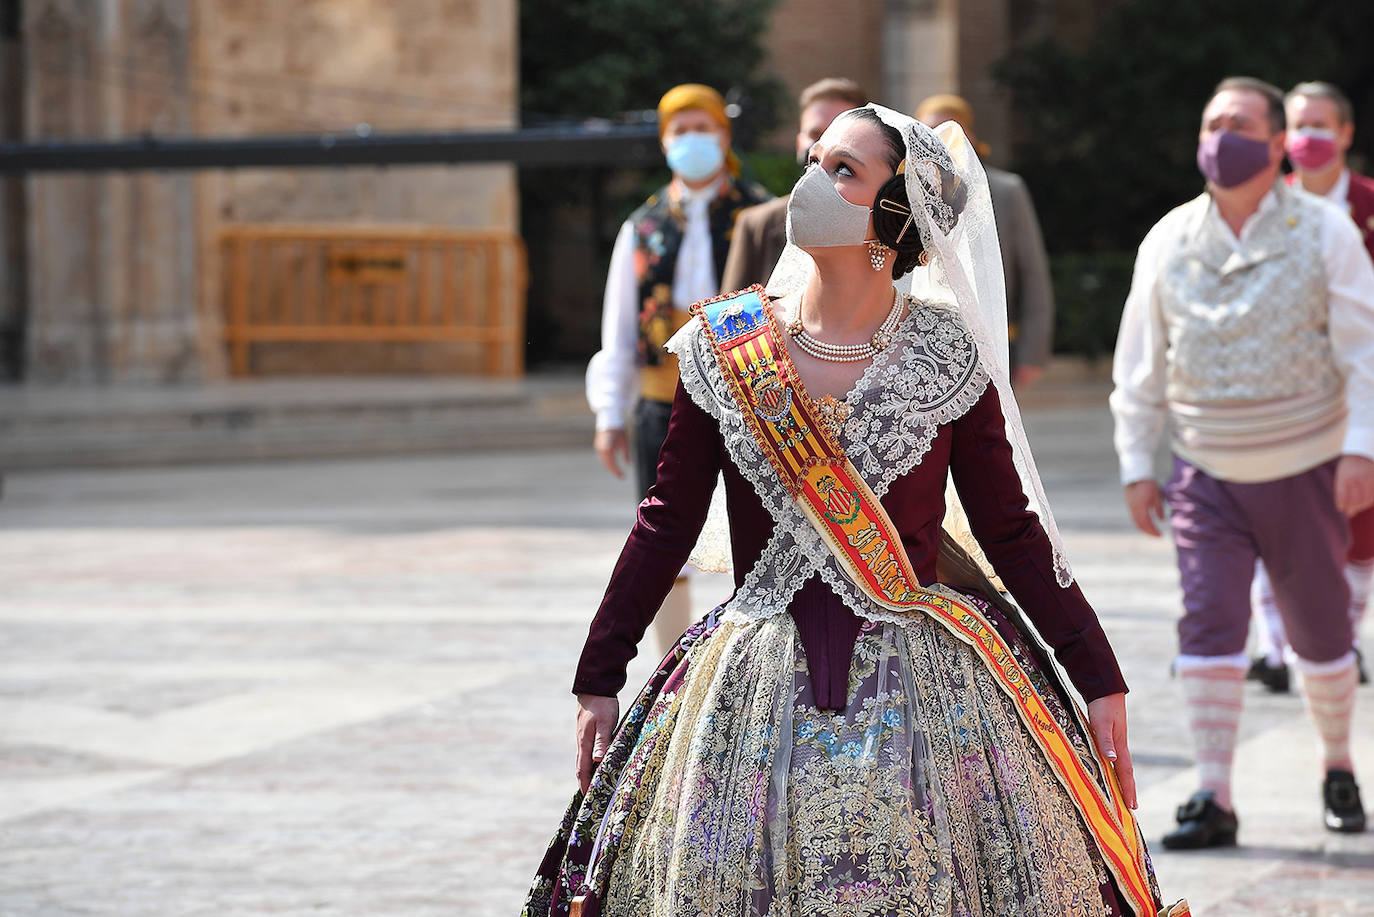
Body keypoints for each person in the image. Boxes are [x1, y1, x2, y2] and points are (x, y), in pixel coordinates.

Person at [527, 104, 1185, 917]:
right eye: (813, 159)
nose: (812, 180)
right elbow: (666, 517)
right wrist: (599, 673)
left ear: (895, 216)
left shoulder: (949, 353)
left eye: (844, 170)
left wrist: (1100, 678)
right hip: (751, 673)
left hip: (923, 680)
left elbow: (1010, 530)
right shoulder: (724, 344)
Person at [1111, 77, 1374, 849]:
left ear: (1273, 141)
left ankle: (1336, 765)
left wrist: (1361, 447)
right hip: (1207, 471)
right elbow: (1140, 361)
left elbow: (1364, 351)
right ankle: (1213, 793)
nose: (1220, 135)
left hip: (1305, 467)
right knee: (1209, 620)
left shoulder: (1325, 230)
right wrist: (1136, 461)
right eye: (1211, 121)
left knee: (1322, 634)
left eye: (1237, 122)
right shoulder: (1168, 238)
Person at [585, 84, 772, 658]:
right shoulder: (641, 227)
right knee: (666, 535)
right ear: (664, 142)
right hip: (661, 400)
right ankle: (674, 665)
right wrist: (610, 413)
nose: (693, 141)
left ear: (725, 135)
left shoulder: (761, 213)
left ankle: (759, 662)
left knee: (760, 534)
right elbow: (619, 324)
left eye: (704, 129)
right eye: (679, 131)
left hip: (753, 396)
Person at [1248, 80, 1374, 692]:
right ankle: (1281, 649)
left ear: (1347, 133)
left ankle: (1338, 641)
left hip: (1357, 392)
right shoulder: (1260, 207)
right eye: (1298, 125)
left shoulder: (1371, 206)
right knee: (1273, 519)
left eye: (1321, 125)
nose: (1308, 138)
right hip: (1280, 395)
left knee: (1358, 529)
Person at [915, 93, 1055, 390]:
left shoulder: (1006, 190)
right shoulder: (909, 194)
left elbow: (1032, 272)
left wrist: (1033, 352)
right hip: (923, 345)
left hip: (993, 343)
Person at [718, 77, 867, 292]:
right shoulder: (757, 226)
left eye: (837, 133)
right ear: (799, 143)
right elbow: (730, 317)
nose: (824, 146)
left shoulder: (882, 231)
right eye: (815, 134)